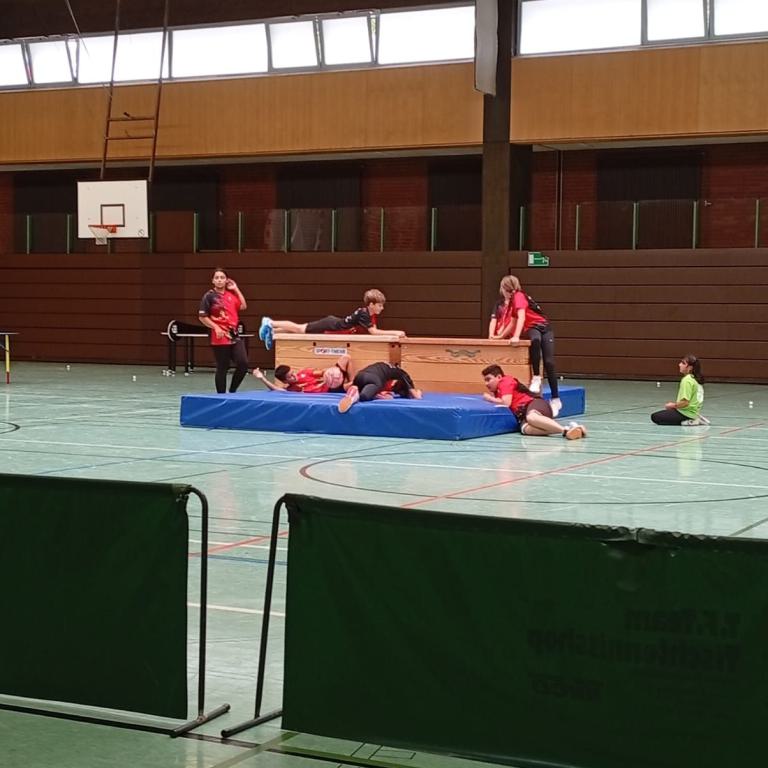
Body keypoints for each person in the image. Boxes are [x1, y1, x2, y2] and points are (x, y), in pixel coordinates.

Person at [488, 274, 562, 417]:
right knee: (535, 340)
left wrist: (516, 336)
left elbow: (521, 317)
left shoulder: (519, 296)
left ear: (504, 288)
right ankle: (536, 376)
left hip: (545, 327)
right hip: (533, 328)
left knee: (549, 362)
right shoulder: (512, 303)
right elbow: (513, 322)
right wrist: (500, 336)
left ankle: (555, 398)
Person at [258, 289, 406, 350]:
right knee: (300, 328)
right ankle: (270, 322)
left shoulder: (369, 314)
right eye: (380, 305)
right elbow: (374, 332)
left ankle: (273, 332)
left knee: (299, 330)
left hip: (334, 324)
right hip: (331, 325)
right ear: (371, 304)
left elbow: (374, 330)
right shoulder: (364, 314)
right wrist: (396, 333)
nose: (382, 308)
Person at [481, 364, 587, 440]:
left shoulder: (505, 381)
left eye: (488, 379)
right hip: (523, 414)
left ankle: (565, 430)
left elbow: (506, 403)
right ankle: (574, 430)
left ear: (499, 377)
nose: (486, 384)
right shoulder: (497, 391)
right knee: (526, 429)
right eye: (485, 380)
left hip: (535, 404)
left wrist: (489, 399)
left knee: (531, 417)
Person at [198, 268, 249, 394]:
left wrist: (236, 289)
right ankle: (221, 395)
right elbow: (202, 317)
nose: (219, 280)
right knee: (223, 366)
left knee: (243, 363)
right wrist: (216, 327)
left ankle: (232, 391)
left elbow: (243, 306)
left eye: (222, 277)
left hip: (234, 334)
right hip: (219, 336)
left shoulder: (230, 295)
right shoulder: (209, 296)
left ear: (226, 280)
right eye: (217, 278)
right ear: (213, 281)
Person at [338, 362, 422, 414]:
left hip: (360, 375)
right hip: (373, 379)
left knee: (360, 385)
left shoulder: (385, 369)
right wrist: (418, 392)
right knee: (365, 396)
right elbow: (417, 397)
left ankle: (354, 389)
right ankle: (355, 395)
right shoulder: (402, 374)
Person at [651, 354, 710, 426]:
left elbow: (685, 402)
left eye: (683, 363)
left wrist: (672, 405)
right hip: (693, 412)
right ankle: (694, 417)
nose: (679, 365)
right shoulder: (695, 379)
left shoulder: (687, 380)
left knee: (655, 417)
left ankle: (689, 421)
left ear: (690, 367)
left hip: (685, 413)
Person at [252, 355, 352, 394]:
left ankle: (351, 380)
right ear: (285, 381)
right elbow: (276, 389)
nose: (294, 376)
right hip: (329, 390)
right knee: (351, 385)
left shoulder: (303, 373)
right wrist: (262, 378)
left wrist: (331, 373)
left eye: (293, 373)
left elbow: (322, 372)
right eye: (290, 377)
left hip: (332, 380)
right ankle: (351, 384)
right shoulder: (291, 389)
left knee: (345, 358)